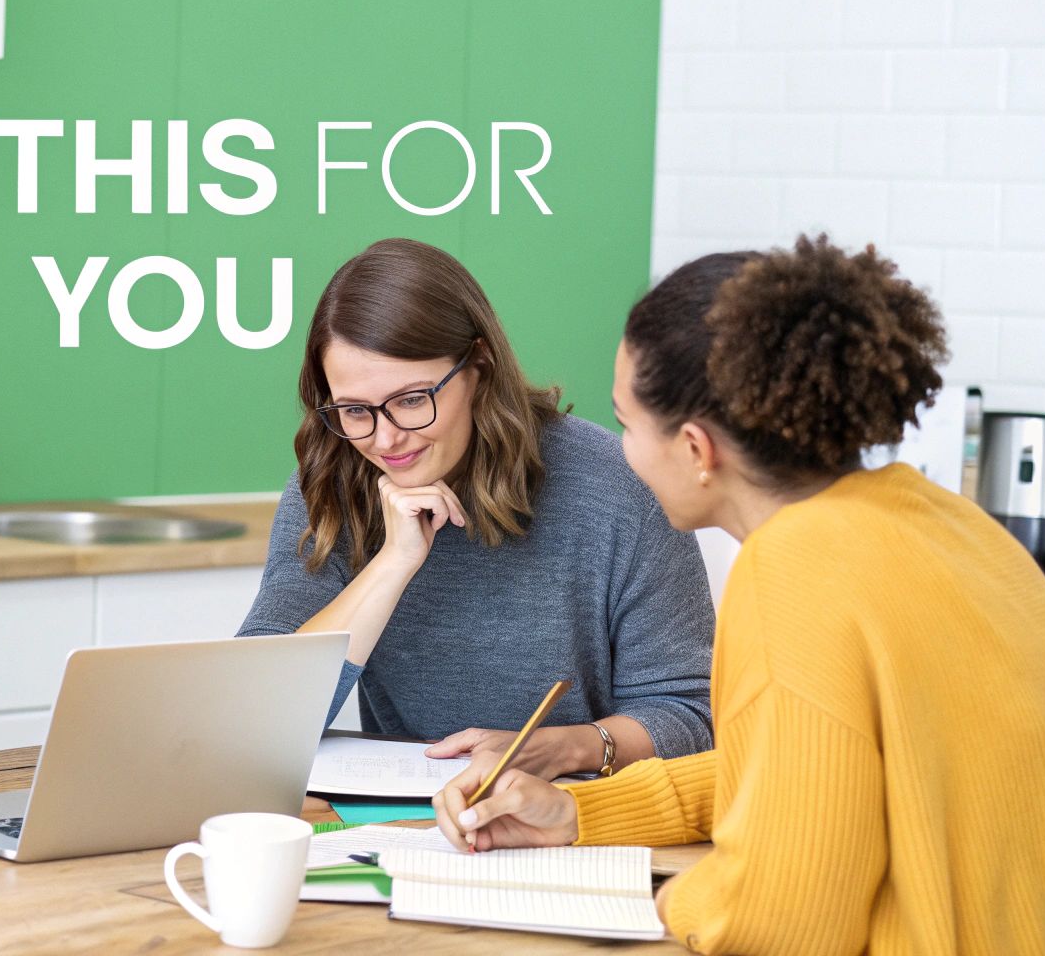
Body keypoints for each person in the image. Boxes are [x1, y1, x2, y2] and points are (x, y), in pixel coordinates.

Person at [435, 236, 1045, 954]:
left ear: (697, 450)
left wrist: (666, 902)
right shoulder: (949, 523)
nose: (623, 449)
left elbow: (778, 924)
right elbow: (794, 771)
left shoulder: (794, 568)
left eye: (628, 422)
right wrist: (579, 812)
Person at [237, 238, 716, 779]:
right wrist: (392, 563)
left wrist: (564, 748)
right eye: (354, 410)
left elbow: (690, 716)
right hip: (403, 826)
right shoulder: (328, 483)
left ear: (479, 366)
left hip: (579, 821)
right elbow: (255, 716)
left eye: (413, 399)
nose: (387, 438)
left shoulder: (618, 487)